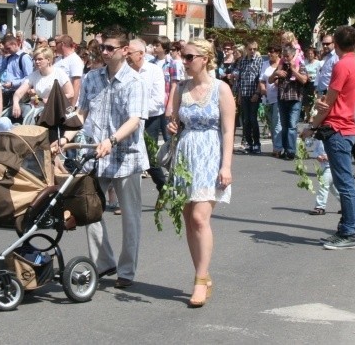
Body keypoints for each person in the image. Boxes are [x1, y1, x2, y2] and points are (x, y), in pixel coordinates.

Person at [58, 26, 148, 289]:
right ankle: (104, 261)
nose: (105, 52)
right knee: (90, 210)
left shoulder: (135, 82)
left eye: (110, 48)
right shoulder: (92, 78)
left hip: (126, 156)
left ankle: (127, 271)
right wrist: (66, 137)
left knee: (131, 218)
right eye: (102, 47)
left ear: (124, 50)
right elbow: (83, 114)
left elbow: (134, 120)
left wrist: (112, 140)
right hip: (97, 156)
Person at [165, 38, 233, 307]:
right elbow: (175, 122)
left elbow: (228, 131)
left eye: (189, 56)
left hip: (210, 155)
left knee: (199, 217)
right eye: (183, 56)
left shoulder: (221, 89)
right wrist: (173, 128)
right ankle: (202, 276)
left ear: (205, 58)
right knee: (188, 218)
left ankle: (200, 280)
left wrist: (226, 166)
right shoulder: (180, 89)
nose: (184, 61)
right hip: (185, 154)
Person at [304, 25, 355, 250]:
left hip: (338, 127)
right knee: (343, 182)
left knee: (345, 184)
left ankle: (349, 232)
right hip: (345, 126)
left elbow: (328, 102)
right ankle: (344, 229)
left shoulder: (341, 65)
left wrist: (311, 125)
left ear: (336, 44)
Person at [127, 38, 167, 191]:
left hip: (150, 119)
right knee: (129, 156)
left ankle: (163, 186)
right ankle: (124, 198)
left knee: (148, 157)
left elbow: (158, 101)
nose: (127, 56)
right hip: (128, 120)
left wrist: (136, 110)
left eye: (130, 53)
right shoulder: (125, 71)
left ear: (141, 54)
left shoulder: (154, 70)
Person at [12, 46, 73, 122]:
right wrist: (15, 103)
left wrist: (52, 100)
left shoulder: (59, 73)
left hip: (55, 112)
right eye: (35, 59)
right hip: (38, 113)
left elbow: (70, 94)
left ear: (48, 60)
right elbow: (19, 92)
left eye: (40, 59)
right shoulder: (33, 75)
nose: (37, 62)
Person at [269, 44, 308, 160]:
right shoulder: (281, 65)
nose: (285, 59)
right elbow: (270, 80)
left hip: (295, 99)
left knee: (292, 125)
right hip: (282, 98)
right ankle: (286, 149)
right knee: (285, 126)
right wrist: (276, 73)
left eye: (288, 56)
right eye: (284, 56)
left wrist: (293, 70)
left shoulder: (299, 64)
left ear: (293, 55)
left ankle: (291, 151)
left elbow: (304, 80)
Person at [236, 39, 263, 154]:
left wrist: (257, 93)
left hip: (254, 94)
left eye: (254, 49)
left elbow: (260, 79)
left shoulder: (259, 61)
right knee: (246, 120)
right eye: (250, 49)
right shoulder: (242, 62)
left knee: (253, 119)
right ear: (246, 49)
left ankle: (257, 143)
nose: (252, 51)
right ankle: (249, 143)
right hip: (244, 93)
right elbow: (240, 79)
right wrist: (239, 95)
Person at [53, 35, 83, 108]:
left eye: (56, 43)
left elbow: (76, 83)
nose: (55, 46)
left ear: (62, 44)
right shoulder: (58, 59)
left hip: (67, 103)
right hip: (57, 101)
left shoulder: (75, 60)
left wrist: (71, 106)